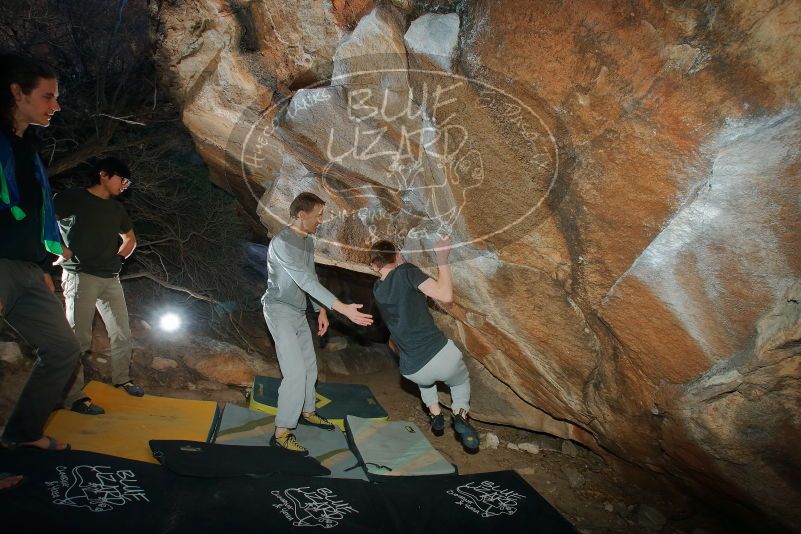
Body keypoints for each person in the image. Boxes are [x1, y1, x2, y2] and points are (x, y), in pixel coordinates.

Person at [0, 53, 74, 451]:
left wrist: (44, 263)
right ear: (17, 92)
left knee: (63, 350)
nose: (55, 106)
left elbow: (34, 211)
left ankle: (22, 434)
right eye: (47, 96)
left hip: (27, 269)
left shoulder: (27, 147)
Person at [263, 192, 373, 453]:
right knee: (295, 373)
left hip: (299, 311)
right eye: (318, 215)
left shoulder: (307, 242)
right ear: (301, 215)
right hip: (278, 310)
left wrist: (320, 310)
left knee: (310, 367)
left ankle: (307, 412)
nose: (320, 221)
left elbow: (311, 276)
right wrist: (342, 308)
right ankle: (281, 433)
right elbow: (304, 280)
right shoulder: (283, 242)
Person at [368, 236, 479, 450]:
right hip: (441, 355)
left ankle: (435, 413)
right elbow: (445, 295)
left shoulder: (377, 291)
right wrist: (442, 257)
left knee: (425, 381)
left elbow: (386, 275)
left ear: (373, 265)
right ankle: (460, 414)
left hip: (412, 369)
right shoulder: (406, 271)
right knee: (460, 382)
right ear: (398, 256)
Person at [55, 157, 143, 414]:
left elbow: (130, 239)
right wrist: (58, 248)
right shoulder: (70, 198)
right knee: (78, 338)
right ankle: (72, 396)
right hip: (79, 275)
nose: (125, 185)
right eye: (122, 179)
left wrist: (117, 259)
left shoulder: (116, 209)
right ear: (104, 175)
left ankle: (122, 379)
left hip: (110, 278)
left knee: (122, 332)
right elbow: (44, 223)